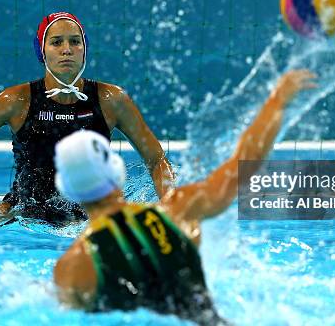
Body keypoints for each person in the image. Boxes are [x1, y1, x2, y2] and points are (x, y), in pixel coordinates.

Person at [52, 69, 316, 324]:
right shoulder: (178, 209)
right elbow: (243, 164)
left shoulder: (72, 268)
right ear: (115, 171)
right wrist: (277, 101)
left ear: (68, 189)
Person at [0, 11, 175, 228]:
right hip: (20, 212)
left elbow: (157, 159)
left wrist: (172, 210)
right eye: (56, 42)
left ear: (85, 48)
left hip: (88, 217)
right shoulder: (16, 100)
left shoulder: (111, 99)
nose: (66, 49)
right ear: (42, 50)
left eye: (74, 41)